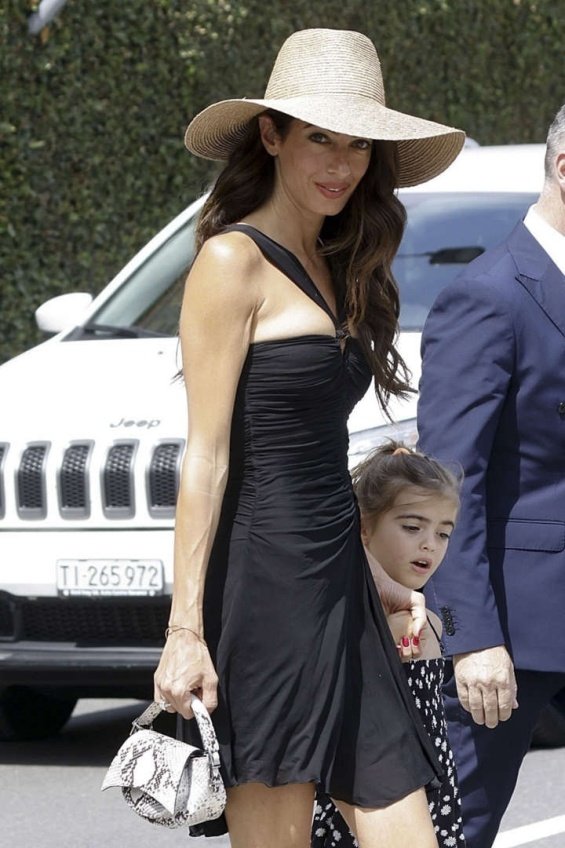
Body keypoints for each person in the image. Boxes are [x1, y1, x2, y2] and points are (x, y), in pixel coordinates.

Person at [153, 28, 464, 848]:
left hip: (337, 580)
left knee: (409, 832)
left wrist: (370, 569)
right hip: (263, 593)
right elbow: (207, 456)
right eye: (318, 138)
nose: (340, 163)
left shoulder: (337, 258)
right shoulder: (232, 262)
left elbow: (318, 451)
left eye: (357, 144)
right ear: (271, 135)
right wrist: (185, 630)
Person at [417, 103, 565, 847]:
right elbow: (449, 480)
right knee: (457, 827)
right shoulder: (488, 294)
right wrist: (469, 636)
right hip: (514, 630)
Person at [312, 442, 466, 848]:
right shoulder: (358, 623)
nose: (429, 544)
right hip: (374, 788)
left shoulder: (427, 618)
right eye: (412, 527)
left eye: (443, 532)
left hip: (430, 778)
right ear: (364, 527)